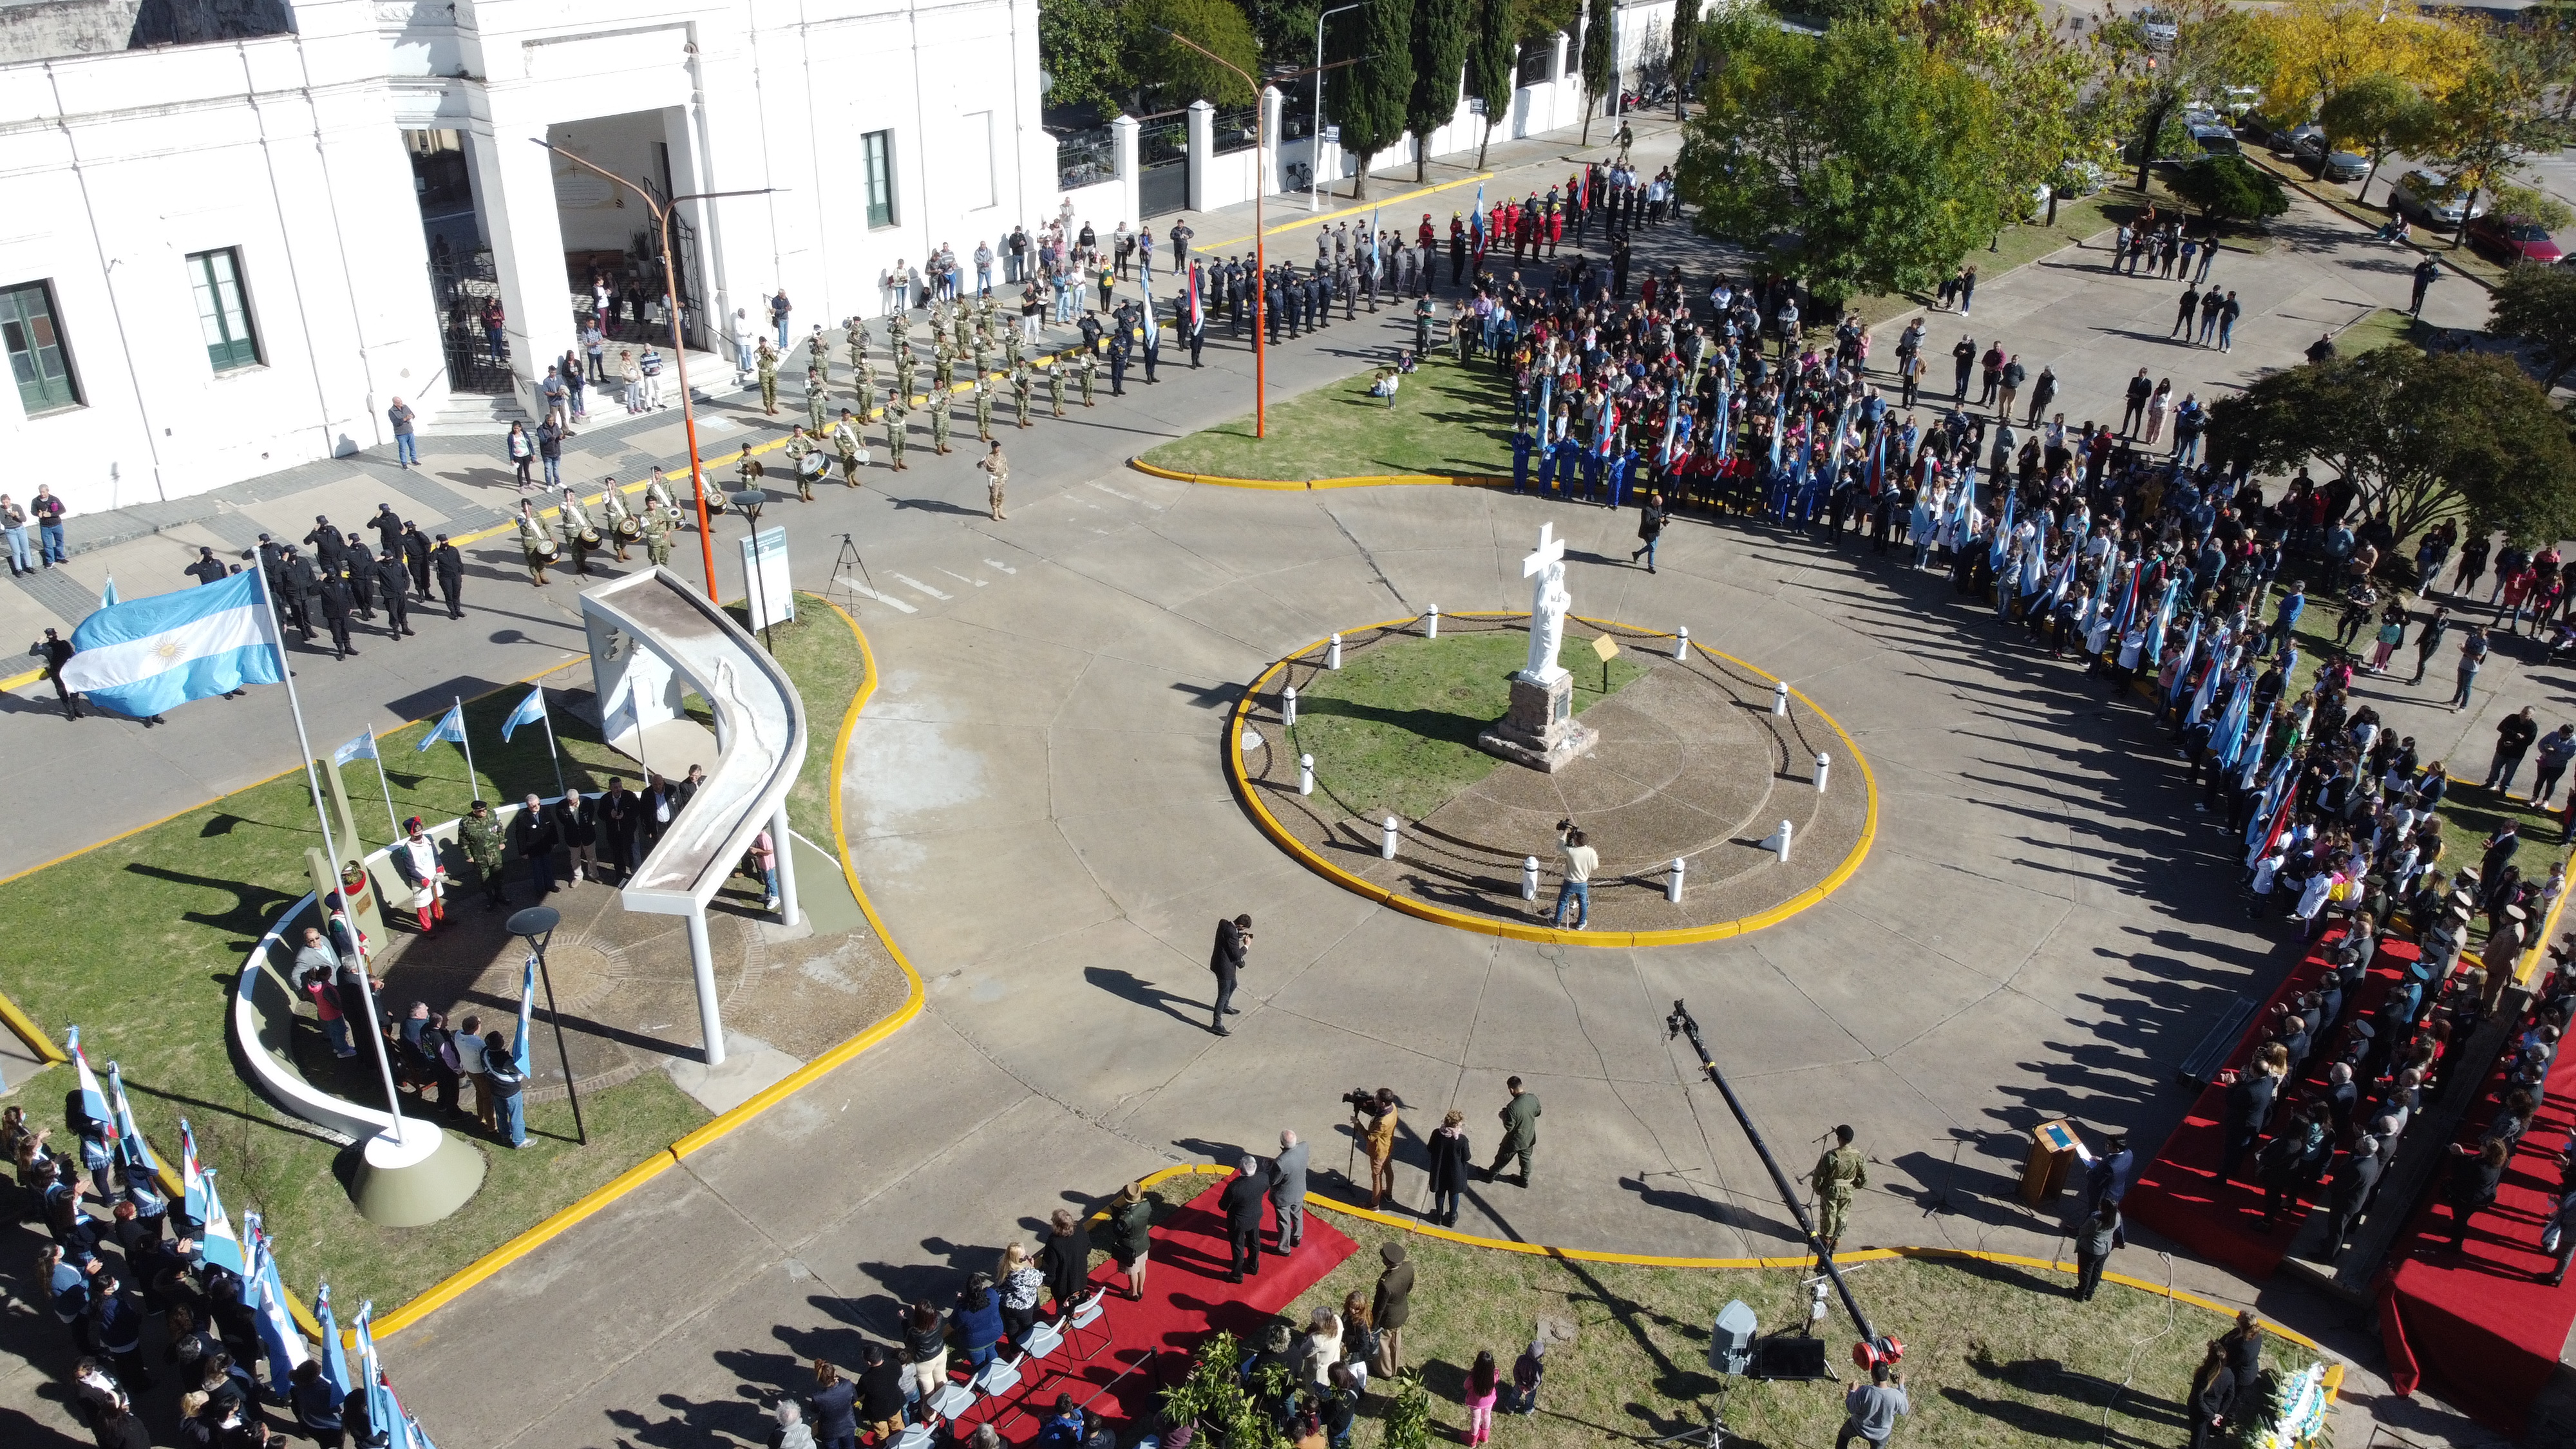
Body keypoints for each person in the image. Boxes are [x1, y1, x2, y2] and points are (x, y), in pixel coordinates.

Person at [1809, 1124, 1866, 1260]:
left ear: (1839, 1138)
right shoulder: (1858, 1156)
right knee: (1843, 1215)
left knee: (1829, 1214)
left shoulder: (1831, 1156)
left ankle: (1826, 1239)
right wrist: (1856, 1184)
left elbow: (1819, 1175)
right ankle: (1837, 1239)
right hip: (1848, 1190)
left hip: (1831, 1191)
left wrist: (1818, 1189)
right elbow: (1864, 1177)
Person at [1837, 1361, 1908, 1449]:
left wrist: (1852, 1391)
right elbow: (1904, 1411)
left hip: (1858, 1427)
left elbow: (1851, 1408)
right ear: (1887, 1375)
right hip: (1881, 1435)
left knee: (1844, 1436)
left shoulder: (1865, 1391)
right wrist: (1901, 1387)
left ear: (1872, 1375)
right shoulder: (1897, 1396)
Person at [1221, 1154, 1268, 1283]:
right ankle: (1253, 1266)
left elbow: (1222, 1206)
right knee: (1254, 1241)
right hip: (1255, 1216)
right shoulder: (1263, 1179)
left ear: (1240, 1168)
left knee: (1238, 1247)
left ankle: (1237, 1274)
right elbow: (1265, 1188)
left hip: (1238, 1222)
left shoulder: (1234, 1187)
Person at [1039, 1204, 1091, 1314]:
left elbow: (1050, 1269)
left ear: (1057, 1226)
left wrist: (1044, 1280)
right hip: (1081, 1279)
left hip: (1063, 1287)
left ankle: (1065, 1322)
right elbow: (1088, 1248)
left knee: (1063, 1309)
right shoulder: (1080, 1229)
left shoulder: (1054, 1242)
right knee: (1078, 1303)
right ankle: (1077, 1315)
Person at [1370, 1242, 1412, 1376]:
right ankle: (1393, 1366)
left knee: (1385, 1344)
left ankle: (1385, 1371)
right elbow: (1409, 1288)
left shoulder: (1386, 1284)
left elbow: (1379, 1308)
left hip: (1388, 1318)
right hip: (1401, 1310)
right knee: (1395, 1341)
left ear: (1387, 1262)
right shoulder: (1408, 1267)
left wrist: (1373, 1325)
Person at [1488, 1077, 1540, 1186]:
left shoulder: (1512, 1107)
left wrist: (1503, 1116)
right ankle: (1524, 1180)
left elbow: (1509, 1127)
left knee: (1502, 1158)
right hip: (1529, 1137)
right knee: (1526, 1160)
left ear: (1511, 1089)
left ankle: (1490, 1175)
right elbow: (1538, 1112)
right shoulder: (1533, 1099)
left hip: (1515, 1140)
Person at [1108, 1180, 1154, 1300]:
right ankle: (1141, 1289)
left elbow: (1118, 1231)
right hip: (1143, 1242)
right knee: (1142, 1265)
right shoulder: (1147, 1205)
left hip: (1131, 1247)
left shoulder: (1128, 1217)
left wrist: (1116, 1219)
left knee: (1133, 1270)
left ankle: (1133, 1293)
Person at [2186, 1341, 2237, 1449]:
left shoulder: (2203, 1375)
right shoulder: (2228, 1374)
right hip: (2214, 1409)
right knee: (2203, 1434)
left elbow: (2198, 1400)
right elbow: (2230, 1395)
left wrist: (2211, 1416)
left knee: (2197, 1436)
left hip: (2199, 1411)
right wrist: (2219, 1414)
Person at [1426, 1110, 1472, 1226]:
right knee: (1454, 1193)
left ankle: (1438, 1217)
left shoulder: (1437, 1134)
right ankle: (1452, 1218)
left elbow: (1430, 1149)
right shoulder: (1462, 1139)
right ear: (1457, 1124)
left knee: (1440, 1192)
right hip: (1456, 1172)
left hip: (1440, 1170)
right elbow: (1467, 1157)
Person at [1209, 912, 1251, 1035]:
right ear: (1241, 925)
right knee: (1223, 994)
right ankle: (1216, 1024)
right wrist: (1246, 946)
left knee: (1233, 985)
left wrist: (1239, 935)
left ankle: (1225, 1007)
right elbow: (1236, 955)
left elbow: (1229, 936)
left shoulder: (1224, 924)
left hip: (1219, 963)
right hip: (1225, 968)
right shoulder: (1232, 934)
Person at [482, 1030, 526, 1147]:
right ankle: (519, 1140)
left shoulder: (485, 1053)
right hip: (510, 1091)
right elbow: (520, 1069)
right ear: (499, 1043)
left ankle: (505, 1135)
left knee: (501, 1114)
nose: (503, 1037)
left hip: (495, 1089)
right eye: (501, 1037)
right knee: (516, 1115)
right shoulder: (504, 1060)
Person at [513, 793, 560, 899]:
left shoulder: (545, 811)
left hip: (546, 846)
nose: (537, 807)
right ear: (528, 806)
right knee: (537, 870)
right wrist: (523, 852)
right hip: (533, 849)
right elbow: (520, 837)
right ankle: (540, 890)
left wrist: (555, 841)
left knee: (548, 867)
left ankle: (550, 886)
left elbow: (552, 827)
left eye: (538, 804)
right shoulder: (523, 818)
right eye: (533, 806)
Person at [2072, 1198, 2120, 1300]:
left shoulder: (2095, 1220)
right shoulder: (2117, 1217)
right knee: (2097, 1271)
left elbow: (2082, 1231)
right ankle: (2090, 1292)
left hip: (2090, 1250)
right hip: (2106, 1249)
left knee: (2086, 1272)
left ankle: (2080, 1294)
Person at [1551, 821, 1596, 929]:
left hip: (1570, 882)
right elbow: (1595, 866)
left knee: (1562, 901)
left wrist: (1566, 831)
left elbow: (1560, 845)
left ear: (1576, 842)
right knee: (1583, 903)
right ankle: (1581, 923)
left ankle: (1557, 921)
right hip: (1582, 882)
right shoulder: (1591, 852)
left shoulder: (1571, 852)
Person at [1271, 1128, 1309, 1255]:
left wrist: (1268, 1168)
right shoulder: (1304, 1147)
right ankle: (1297, 1236)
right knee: (1297, 1214)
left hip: (1284, 1197)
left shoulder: (1280, 1162)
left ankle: (1283, 1248)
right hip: (1299, 1191)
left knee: (1284, 1222)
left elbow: (1273, 1181)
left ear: (1282, 1143)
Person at [807, 1359, 857, 1449]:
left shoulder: (818, 1397)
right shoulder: (847, 1385)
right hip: (848, 1425)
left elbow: (814, 1410)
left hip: (829, 1431)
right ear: (835, 1373)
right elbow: (854, 1400)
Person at [1364, 1088, 1399, 1210]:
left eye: (1376, 1099)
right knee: (1388, 1170)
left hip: (1378, 1151)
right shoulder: (1393, 1107)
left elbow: (1370, 1137)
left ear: (1383, 1103)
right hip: (1387, 1146)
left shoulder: (1383, 1122)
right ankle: (1388, 1194)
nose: (1374, 1099)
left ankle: (1374, 1204)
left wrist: (1358, 1124)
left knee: (1376, 1176)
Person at [1463, 1349, 1499, 1447]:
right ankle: (1484, 1437)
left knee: (1476, 1419)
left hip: (1476, 1403)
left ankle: (1472, 1441)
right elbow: (1496, 1380)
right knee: (1487, 1416)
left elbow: (1466, 1386)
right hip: (1490, 1400)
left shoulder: (1473, 1378)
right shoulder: (1494, 1375)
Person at [1633, 491, 1666, 573]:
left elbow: (1660, 516)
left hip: (1656, 531)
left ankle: (1637, 554)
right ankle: (1650, 566)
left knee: (1653, 547)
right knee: (1652, 548)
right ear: (1654, 502)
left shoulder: (1658, 507)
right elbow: (1647, 523)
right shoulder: (1647, 510)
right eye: (1658, 504)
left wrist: (1664, 521)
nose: (1659, 506)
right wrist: (1657, 520)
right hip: (1648, 533)